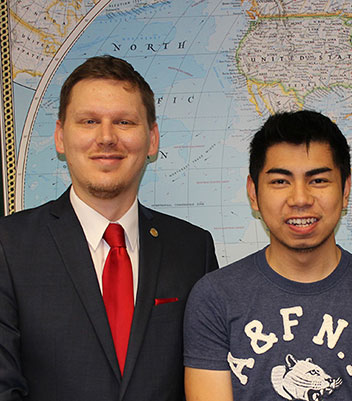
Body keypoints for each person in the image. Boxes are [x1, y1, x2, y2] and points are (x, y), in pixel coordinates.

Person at [0, 55, 218, 400]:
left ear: (152, 140)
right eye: (88, 121)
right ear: (60, 137)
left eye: (125, 122)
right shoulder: (8, 246)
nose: (106, 138)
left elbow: (207, 379)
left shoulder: (194, 249)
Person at [183, 110, 352, 401]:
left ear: (346, 190)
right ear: (253, 193)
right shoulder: (214, 297)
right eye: (280, 182)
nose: (300, 199)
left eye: (319, 180)